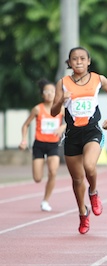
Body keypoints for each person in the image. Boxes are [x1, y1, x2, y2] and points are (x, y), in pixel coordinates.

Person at [51, 46, 107, 234]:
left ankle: (94, 192)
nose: (79, 62)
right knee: (77, 179)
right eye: (74, 59)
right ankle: (83, 212)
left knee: (89, 166)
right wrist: (61, 100)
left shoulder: (98, 79)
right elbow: (53, 112)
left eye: (82, 58)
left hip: (92, 131)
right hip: (72, 135)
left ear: (89, 61)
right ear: (70, 63)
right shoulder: (62, 83)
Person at [19, 78, 66, 212]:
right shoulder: (37, 109)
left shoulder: (61, 109)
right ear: (42, 94)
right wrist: (23, 140)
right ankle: (40, 166)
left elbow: (71, 121)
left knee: (53, 172)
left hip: (53, 145)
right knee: (38, 178)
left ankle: (45, 200)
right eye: (47, 91)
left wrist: (63, 127)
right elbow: (25, 125)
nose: (50, 94)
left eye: (52, 91)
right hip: (39, 145)